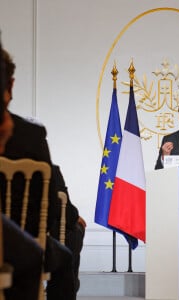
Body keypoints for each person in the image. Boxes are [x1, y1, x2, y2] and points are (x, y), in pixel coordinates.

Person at [0, 48, 76, 300]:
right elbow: (52, 206)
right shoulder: (30, 135)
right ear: (10, 85)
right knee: (63, 257)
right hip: (19, 244)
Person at [50, 164, 86, 293]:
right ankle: (67, 288)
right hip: (36, 245)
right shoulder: (48, 170)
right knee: (72, 233)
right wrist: (75, 217)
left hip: (8, 241)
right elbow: (67, 213)